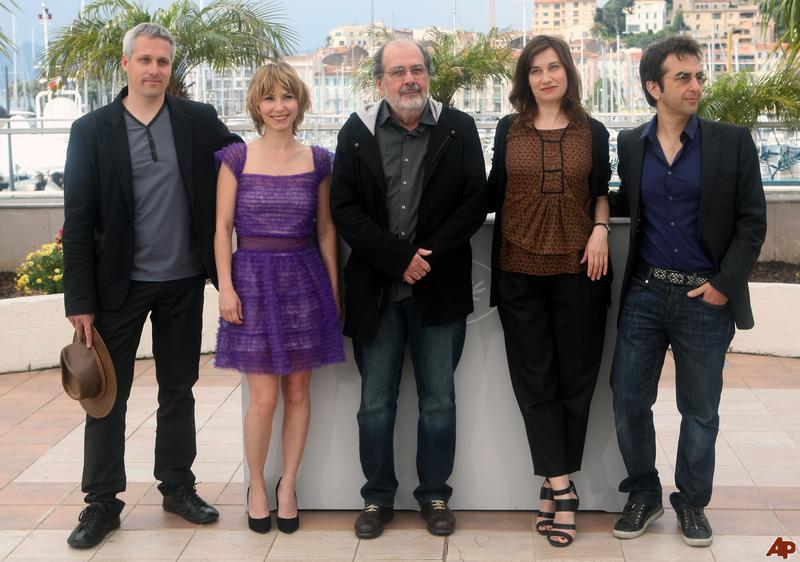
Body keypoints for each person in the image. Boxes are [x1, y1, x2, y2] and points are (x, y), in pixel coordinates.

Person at [62, 23, 240, 548]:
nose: (154, 70)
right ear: (126, 64)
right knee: (105, 396)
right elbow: (78, 221)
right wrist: (80, 301)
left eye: (162, 61)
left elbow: (242, 162)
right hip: (117, 286)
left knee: (178, 389)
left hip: (183, 280)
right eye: (145, 60)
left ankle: (178, 487)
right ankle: (101, 503)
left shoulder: (198, 120)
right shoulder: (91, 130)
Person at [609, 36, 767, 547]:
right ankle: (643, 493)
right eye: (683, 77)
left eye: (699, 75)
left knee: (699, 410)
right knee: (627, 398)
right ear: (654, 87)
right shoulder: (631, 143)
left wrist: (723, 286)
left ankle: (692, 502)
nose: (696, 85)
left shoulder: (731, 141)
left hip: (705, 297)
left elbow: (752, 221)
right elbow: (624, 201)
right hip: (645, 291)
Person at [330, 39, 487, 539]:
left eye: (417, 69)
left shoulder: (459, 128)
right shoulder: (356, 132)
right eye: (398, 72)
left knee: (439, 401)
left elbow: (474, 201)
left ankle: (435, 495)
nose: (409, 80)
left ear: (428, 75)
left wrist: (426, 257)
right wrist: (398, 258)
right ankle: (377, 498)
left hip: (439, 288)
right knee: (375, 403)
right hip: (376, 291)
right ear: (380, 81)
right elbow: (344, 208)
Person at [486, 35, 612, 548]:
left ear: (568, 73)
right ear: (525, 80)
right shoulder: (508, 129)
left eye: (554, 67)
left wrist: (601, 228)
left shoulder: (593, 131)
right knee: (534, 382)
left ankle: (552, 482)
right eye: (535, 70)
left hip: (582, 270)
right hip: (518, 270)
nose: (545, 77)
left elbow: (601, 192)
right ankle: (564, 488)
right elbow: (491, 191)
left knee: (576, 382)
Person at [213, 62, 344, 534]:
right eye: (269, 98)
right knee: (264, 398)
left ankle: (288, 486)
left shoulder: (319, 161)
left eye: (287, 97)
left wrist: (333, 290)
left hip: (304, 282)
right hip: (251, 282)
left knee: (298, 392)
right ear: (257, 105)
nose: (279, 106)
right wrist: (226, 287)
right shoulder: (236, 158)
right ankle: (256, 486)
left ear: (300, 102)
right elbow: (221, 229)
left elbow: (326, 229)